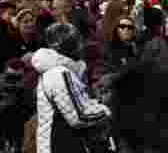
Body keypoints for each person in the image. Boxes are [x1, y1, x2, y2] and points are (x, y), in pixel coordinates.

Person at [32, 23, 112, 153]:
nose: (81, 46)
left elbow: (78, 105)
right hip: (60, 144)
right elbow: (78, 117)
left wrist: (96, 103)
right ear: (67, 45)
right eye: (78, 42)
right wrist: (107, 110)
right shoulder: (59, 73)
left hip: (66, 141)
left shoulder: (64, 70)